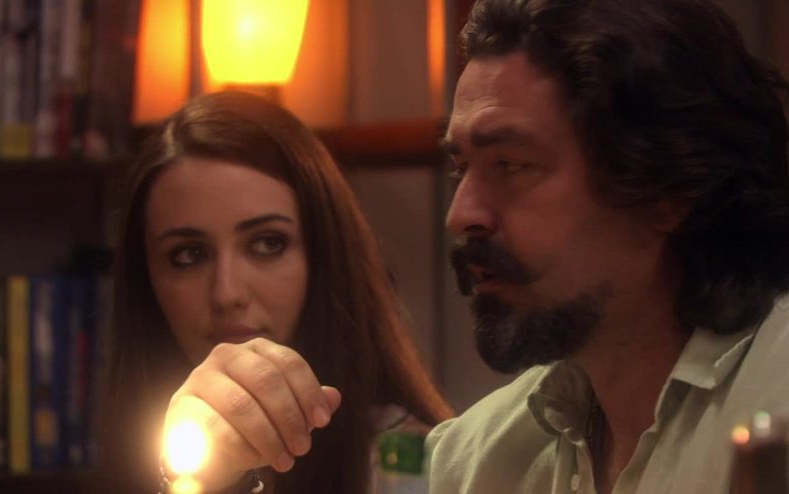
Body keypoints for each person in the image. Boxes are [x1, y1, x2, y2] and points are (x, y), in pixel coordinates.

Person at [426, 0, 789, 492]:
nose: (461, 214)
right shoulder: (476, 463)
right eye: (460, 168)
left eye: (509, 165)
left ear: (668, 188)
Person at [99, 90, 452, 494]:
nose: (227, 292)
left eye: (268, 244)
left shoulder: (408, 466)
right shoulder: (139, 457)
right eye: (189, 254)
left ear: (323, 255)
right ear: (146, 280)